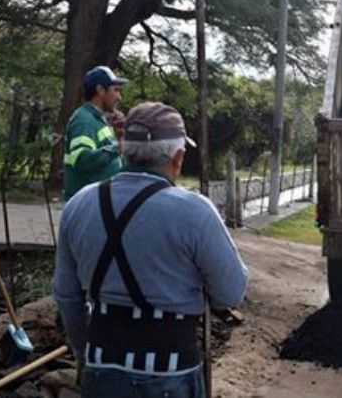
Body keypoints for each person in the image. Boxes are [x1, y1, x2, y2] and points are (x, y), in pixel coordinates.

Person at [54, 102, 248, 398]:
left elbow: (67, 295)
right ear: (178, 157)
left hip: (101, 369)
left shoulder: (79, 204)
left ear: (123, 149)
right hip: (170, 373)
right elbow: (231, 292)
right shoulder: (194, 212)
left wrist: (83, 352)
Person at [63, 66, 128, 200]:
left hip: (98, 203)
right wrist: (117, 148)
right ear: (100, 90)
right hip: (87, 205)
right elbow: (82, 160)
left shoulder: (98, 120)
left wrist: (119, 136)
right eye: (116, 91)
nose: (119, 97)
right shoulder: (84, 120)